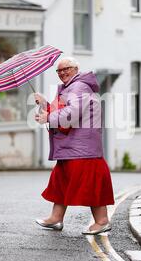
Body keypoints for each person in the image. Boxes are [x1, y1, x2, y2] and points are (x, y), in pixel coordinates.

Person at [34, 57, 115, 235]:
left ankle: (102, 221)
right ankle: (56, 218)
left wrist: (47, 118)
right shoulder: (67, 88)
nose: (62, 72)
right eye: (59, 70)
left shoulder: (79, 87)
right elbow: (59, 112)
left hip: (83, 149)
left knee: (90, 183)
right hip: (71, 147)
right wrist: (45, 104)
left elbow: (72, 113)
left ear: (76, 69)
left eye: (66, 69)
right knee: (60, 181)